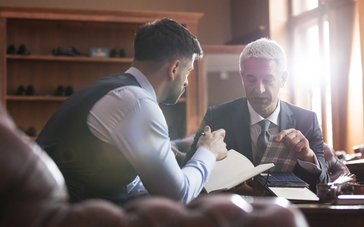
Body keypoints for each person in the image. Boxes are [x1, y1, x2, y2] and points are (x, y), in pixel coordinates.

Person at [36, 18, 228, 205]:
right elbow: (178, 195)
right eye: (188, 72)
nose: (186, 81)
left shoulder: (113, 89)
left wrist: (172, 146)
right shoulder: (138, 103)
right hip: (71, 225)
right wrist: (208, 152)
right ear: (175, 68)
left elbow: (124, 179)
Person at [183, 38, 330, 192]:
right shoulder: (217, 117)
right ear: (242, 78)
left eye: (268, 80)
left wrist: (307, 156)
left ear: (283, 79)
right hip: (234, 211)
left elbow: (323, 185)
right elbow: (189, 178)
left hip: (290, 212)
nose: (259, 89)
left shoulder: (307, 121)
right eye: (251, 80)